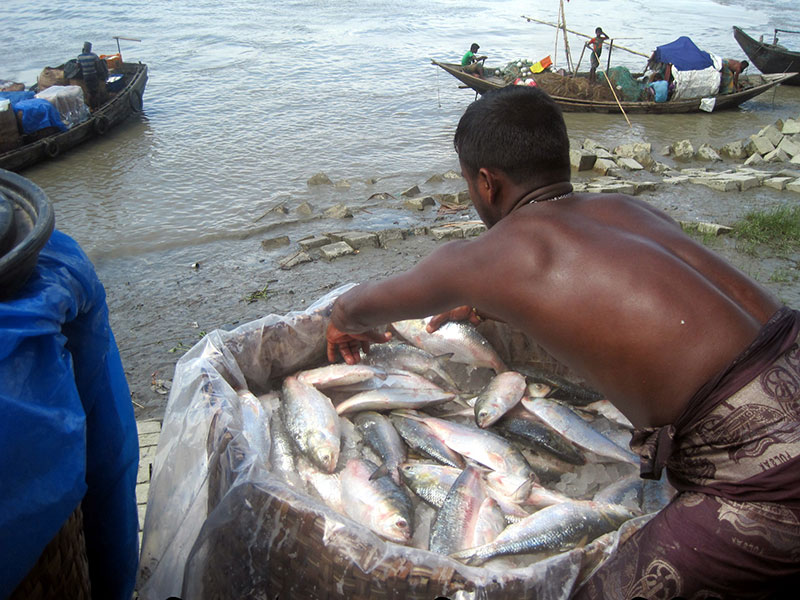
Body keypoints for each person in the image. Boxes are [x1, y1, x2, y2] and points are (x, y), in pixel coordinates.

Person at [325, 85, 800, 599]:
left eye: (468, 184)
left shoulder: (489, 256)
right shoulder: (633, 212)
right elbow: (619, 296)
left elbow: (358, 306)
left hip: (766, 476)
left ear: (486, 183)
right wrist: (492, 302)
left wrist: (340, 320)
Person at [77, 41, 108, 109]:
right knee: (96, 90)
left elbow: (78, 67)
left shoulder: (79, 57)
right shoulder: (94, 56)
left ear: (84, 48)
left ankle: (91, 107)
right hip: (93, 75)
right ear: (90, 48)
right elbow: (98, 66)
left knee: (89, 91)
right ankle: (99, 105)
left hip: (86, 76)